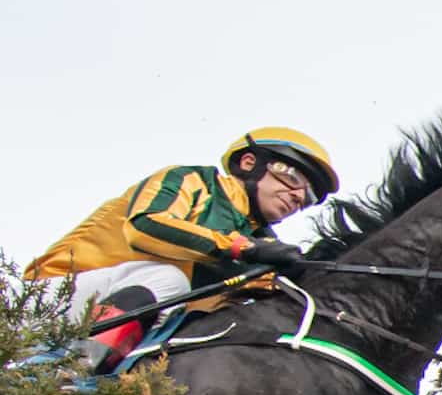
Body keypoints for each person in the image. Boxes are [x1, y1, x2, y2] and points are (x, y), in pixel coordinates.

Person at [27, 127, 339, 369]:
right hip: (49, 301)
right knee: (169, 280)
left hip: (137, 330)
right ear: (248, 163)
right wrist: (241, 249)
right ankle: (67, 373)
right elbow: (144, 226)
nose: (299, 195)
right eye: (293, 176)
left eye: (309, 196)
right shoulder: (192, 181)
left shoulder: (263, 242)